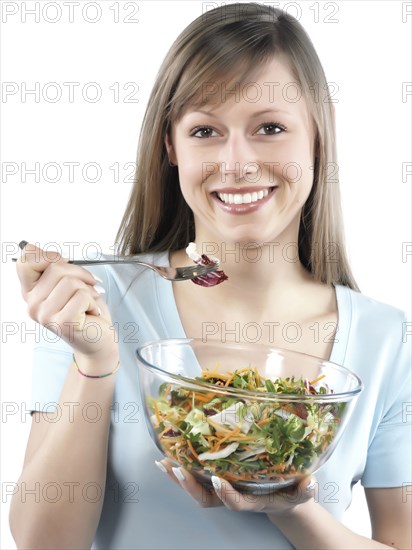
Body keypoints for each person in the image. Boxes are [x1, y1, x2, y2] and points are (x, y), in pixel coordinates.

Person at [10, 3, 411, 549]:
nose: (238, 161)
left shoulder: (388, 340)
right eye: (206, 130)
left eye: (270, 127)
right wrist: (96, 363)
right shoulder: (93, 307)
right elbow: (43, 543)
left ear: (318, 137)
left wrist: (293, 508)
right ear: (170, 146)